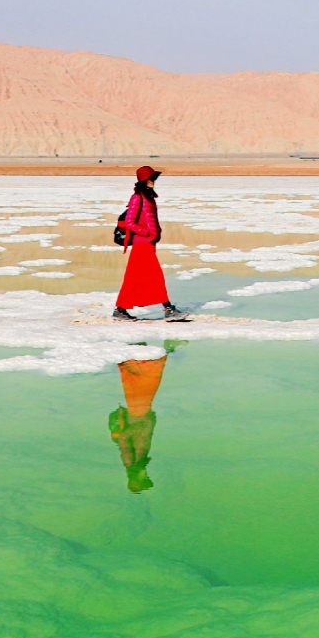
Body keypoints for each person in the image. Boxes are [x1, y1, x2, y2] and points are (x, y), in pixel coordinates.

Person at [110, 165, 187, 321]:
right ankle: (168, 309)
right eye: (151, 178)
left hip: (148, 243)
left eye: (154, 178)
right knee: (155, 276)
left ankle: (120, 310)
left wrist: (154, 234)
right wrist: (147, 233)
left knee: (135, 278)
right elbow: (130, 222)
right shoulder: (137, 198)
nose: (153, 181)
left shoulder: (148, 197)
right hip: (142, 243)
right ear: (145, 180)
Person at [108, 350, 168, 492]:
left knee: (148, 378)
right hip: (141, 413)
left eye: (145, 479)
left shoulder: (131, 462)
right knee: (147, 379)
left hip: (138, 414)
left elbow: (123, 438)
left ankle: (146, 352)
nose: (147, 476)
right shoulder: (139, 463)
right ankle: (143, 353)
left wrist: (142, 425)